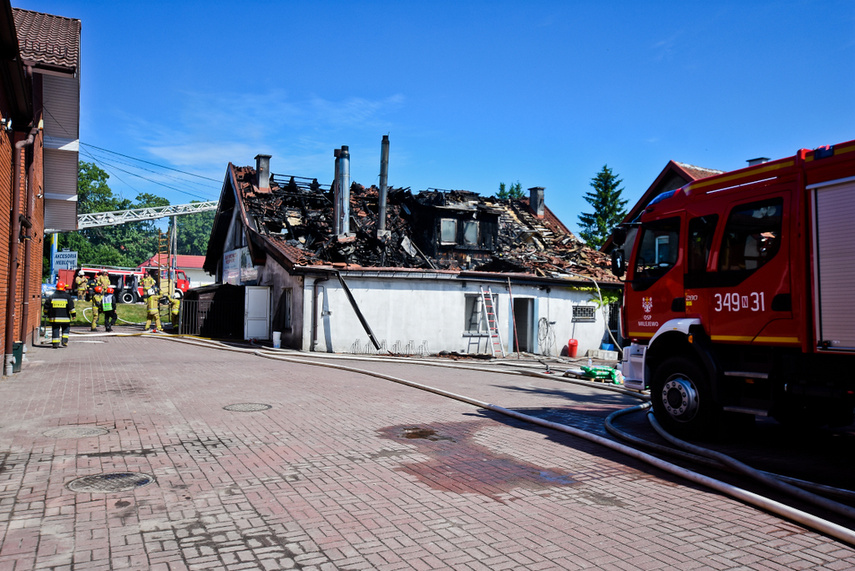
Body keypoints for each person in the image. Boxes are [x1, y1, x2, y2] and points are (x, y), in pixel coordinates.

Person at [44, 282, 76, 348]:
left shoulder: (51, 297)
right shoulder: (67, 297)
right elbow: (71, 307)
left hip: (54, 318)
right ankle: (64, 340)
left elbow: (46, 307)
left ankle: (55, 343)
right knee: (66, 329)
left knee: (55, 329)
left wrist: (46, 313)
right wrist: (73, 315)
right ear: (64, 288)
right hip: (65, 318)